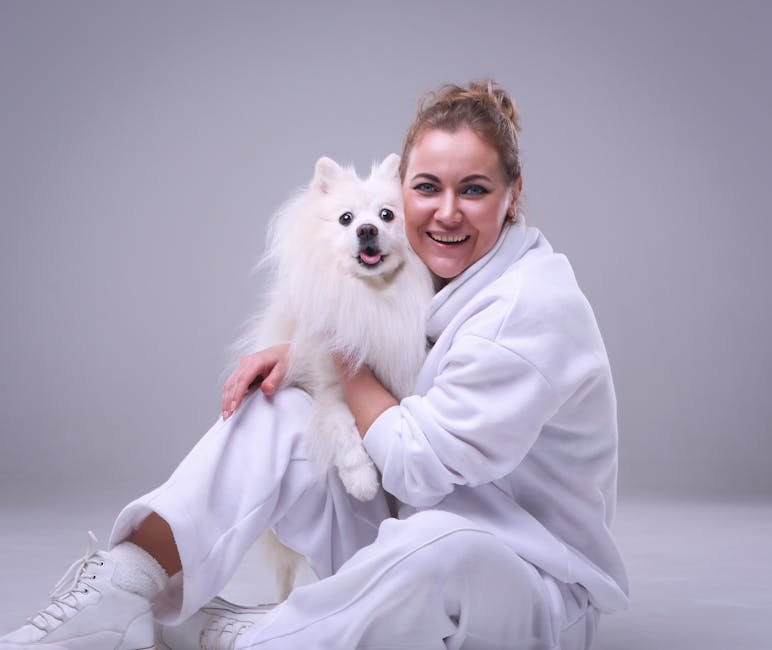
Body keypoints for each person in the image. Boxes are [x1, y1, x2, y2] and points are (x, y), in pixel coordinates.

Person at [0, 80, 629, 650]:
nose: (445, 212)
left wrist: (338, 355)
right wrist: (302, 357)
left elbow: (418, 468)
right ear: (402, 190)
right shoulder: (451, 272)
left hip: (525, 589)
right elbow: (401, 355)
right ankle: (122, 586)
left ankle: (251, 634)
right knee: (278, 408)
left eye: (474, 189)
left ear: (514, 196)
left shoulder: (530, 308)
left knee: (444, 547)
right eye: (427, 188)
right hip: (400, 543)